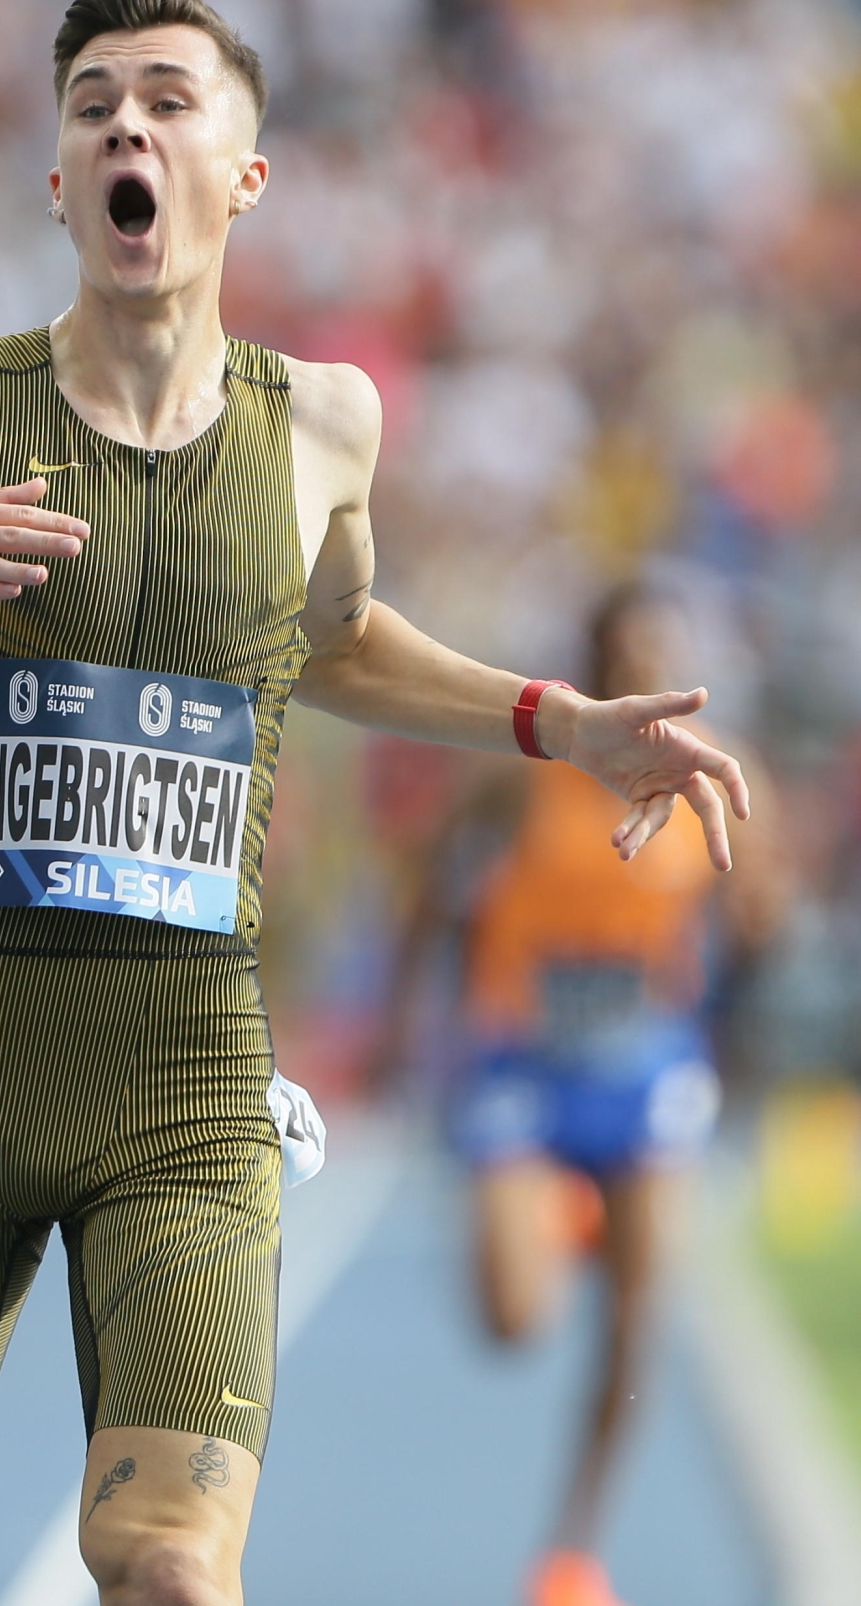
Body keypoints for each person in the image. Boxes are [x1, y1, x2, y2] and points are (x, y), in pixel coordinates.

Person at [0, 0, 751, 1606]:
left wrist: (556, 719)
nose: (128, 121)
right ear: (58, 178)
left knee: (171, 1568)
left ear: (242, 174)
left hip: (189, 1067)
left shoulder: (325, 422)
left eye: (170, 99)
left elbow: (330, 642)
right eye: (93, 98)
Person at [370, 583, 786, 1606]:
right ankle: (565, 1207)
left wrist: (749, 944)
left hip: (646, 1066)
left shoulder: (725, 775)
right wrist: (404, 1018)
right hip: (525, 1062)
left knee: (639, 1327)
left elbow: (760, 916)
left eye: (666, 659)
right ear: (595, 668)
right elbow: (431, 893)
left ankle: (572, 1547)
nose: (650, 687)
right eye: (628, 660)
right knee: (513, 1318)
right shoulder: (529, 775)